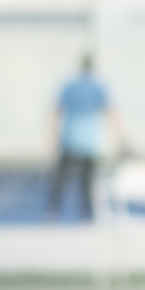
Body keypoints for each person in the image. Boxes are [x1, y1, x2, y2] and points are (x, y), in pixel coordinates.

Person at [48, 55, 118, 220]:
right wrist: (117, 138)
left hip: (70, 138)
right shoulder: (97, 86)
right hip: (88, 141)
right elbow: (110, 112)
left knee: (61, 180)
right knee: (86, 181)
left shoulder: (69, 86)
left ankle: (53, 211)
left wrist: (52, 136)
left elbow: (57, 112)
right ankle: (86, 214)